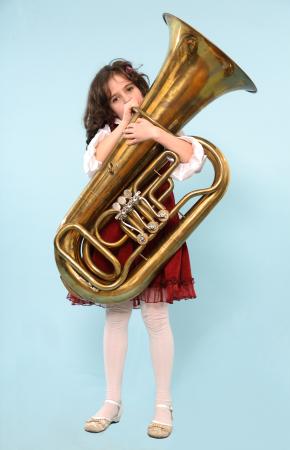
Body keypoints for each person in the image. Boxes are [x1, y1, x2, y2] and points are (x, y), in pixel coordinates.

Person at [67, 59, 206, 439]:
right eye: (116, 98)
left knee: (156, 317)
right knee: (116, 314)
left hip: (156, 228)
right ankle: (111, 402)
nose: (126, 98)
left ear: (140, 87)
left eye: (130, 89)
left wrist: (155, 133)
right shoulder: (109, 133)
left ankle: (163, 404)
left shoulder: (161, 126)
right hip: (117, 232)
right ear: (107, 107)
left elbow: (193, 159)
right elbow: (94, 163)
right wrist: (127, 125)